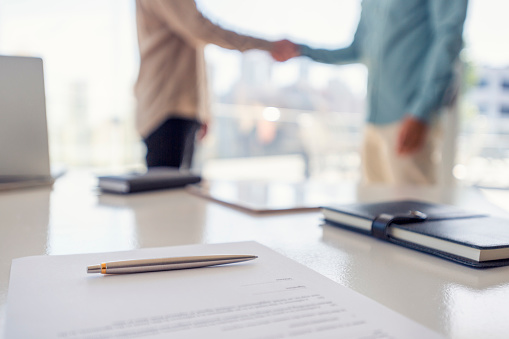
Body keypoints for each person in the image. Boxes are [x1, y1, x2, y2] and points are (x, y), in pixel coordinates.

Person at [276, 0, 468, 185]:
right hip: (373, 122)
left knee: (413, 211)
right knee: (371, 209)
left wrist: (421, 111)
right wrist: (301, 50)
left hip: (409, 118)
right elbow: (358, 49)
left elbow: (448, 37)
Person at [135, 0, 288, 169]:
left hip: (178, 108)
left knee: (178, 186)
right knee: (168, 189)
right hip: (165, 109)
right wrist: (269, 46)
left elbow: (193, 50)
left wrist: (202, 111)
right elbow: (199, 29)